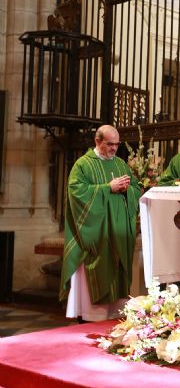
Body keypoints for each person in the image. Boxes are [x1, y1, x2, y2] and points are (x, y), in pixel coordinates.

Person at [60, 125, 141, 321]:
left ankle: (115, 316)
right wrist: (108, 188)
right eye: (110, 144)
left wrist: (127, 190)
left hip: (119, 234)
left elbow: (136, 190)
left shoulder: (121, 164)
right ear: (97, 142)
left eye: (116, 144)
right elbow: (76, 193)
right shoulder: (83, 165)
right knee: (98, 268)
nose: (114, 148)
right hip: (97, 235)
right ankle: (91, 316)